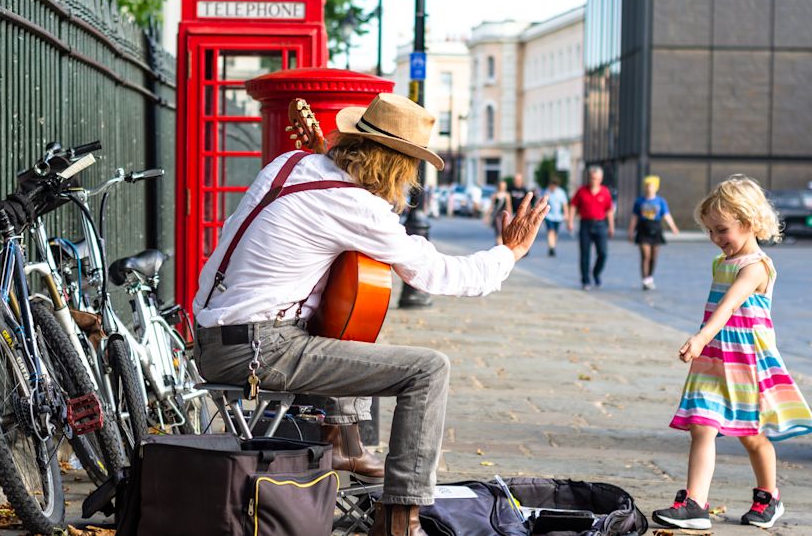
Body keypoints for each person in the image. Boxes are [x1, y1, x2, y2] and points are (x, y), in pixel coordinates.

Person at [192, 93, 549, 536]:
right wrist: (508, 253)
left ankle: (344, 443)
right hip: (259, 350)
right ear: (398, 166)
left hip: (212, 337)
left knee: (348, 317)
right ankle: (400, 520)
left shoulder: (288, 164)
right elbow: (438, 273)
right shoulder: (356, 207)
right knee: (429, 369)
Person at [651, 175, 812, 531]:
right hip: (715, 358)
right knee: (702, 426)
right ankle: (695, 504)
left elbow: (727, 307)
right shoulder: (721, 262)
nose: (716, 239)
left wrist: (699, 338)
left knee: (752, 435)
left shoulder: (756, 266)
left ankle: (769, 496)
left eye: (722, 230)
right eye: (710, 231)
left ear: (748, 222)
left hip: (745, 362)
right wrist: (705, 343)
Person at [628, 175, 679, 290]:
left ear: (656, 187)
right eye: (646, 186)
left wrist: (673, 227)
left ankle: (650, 277)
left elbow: (666, 215)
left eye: (650, 186)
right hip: (643, 229)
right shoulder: (639, 201)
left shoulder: (660, 201)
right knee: (645, 255)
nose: (648, 188)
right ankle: (645, 279)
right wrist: (631, 231)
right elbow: (634, 217)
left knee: (653, 257)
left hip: (655, 229)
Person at [566, 166, 614, 290]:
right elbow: (573, 206)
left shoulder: (605, 192)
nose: (594, 181)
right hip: (585, 224)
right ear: (589, 178)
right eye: (592, 178)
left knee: (603, 253)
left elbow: (609, 210)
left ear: (601, 179)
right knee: (584, 254)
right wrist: (570, 221)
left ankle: (596, 273)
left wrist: (611, 226)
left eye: (597, 179)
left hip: (601, 224)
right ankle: (585, 280)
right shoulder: (582, 191)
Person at [541, 177, 569, 257]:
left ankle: (552, 246)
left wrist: (566, 213)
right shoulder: (546, 192)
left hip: (558, 217)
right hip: (549, 216)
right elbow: (542, 202)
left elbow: (564, 204)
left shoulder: (561, 193)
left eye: (554, 186)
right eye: (551, 186)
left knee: (555, 233)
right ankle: (551, 248)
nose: (552, 187)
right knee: (551, 231)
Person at [488, 180, 513, 245]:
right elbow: (492, 206)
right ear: (499, 186)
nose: (503, 187)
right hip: (497, 216)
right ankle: (499, 246)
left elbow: (508, 206)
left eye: (504, 186)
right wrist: (487, 216)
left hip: (504, 215)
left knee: (504, 232)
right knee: (498, 232)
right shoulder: (494, 195)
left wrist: (510, 216)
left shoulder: (507, 195)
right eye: (502, 185)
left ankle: (499, 246)